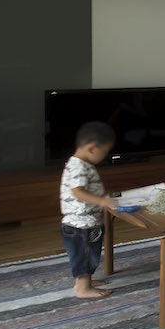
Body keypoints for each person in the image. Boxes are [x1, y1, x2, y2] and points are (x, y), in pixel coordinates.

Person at [60, 120, 120, 299]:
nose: (105, 156)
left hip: (85, 222)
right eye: (105, 152)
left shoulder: (79, 164)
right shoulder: (79, 166)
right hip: (82, 224)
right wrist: (101, 200)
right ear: (92, 148)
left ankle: (85, 281)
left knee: (88, 254)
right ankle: (82, 288)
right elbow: (77, 191)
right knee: (85, 255)